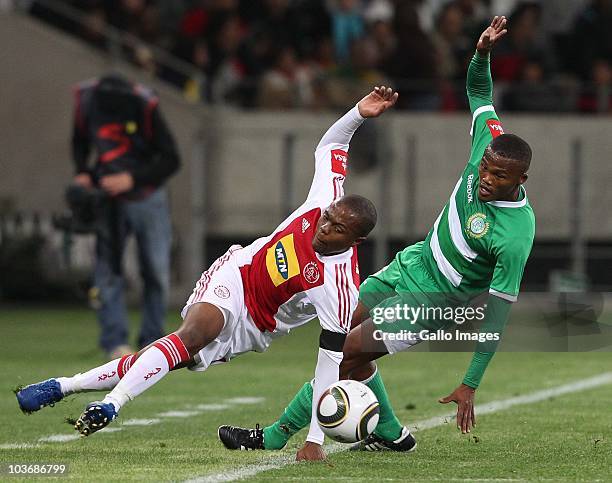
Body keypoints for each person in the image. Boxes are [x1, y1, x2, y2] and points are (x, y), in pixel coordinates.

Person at [219, 16, 535, 461]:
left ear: (521, 178)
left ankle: (278, 434)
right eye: (484, 167)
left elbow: (498, 314)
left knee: (345, 353)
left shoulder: (516, 235)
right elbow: (480, 93)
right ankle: (390, 431)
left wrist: (471, 382)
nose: (485, 178)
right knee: (340, 326)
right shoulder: (491, 141)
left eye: (498, 176)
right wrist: (482, 52)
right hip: (413, 262)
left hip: (434, 299)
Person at [15, 86, 399, 442]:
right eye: (328, 217)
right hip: (238, 274)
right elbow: (333, 143)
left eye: (336, 228)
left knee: (172, 355)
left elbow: (329, 364)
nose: (323, 227)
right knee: (195, 333)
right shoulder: (324, 196)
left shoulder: (339, 287)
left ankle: (64, 386)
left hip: (255, 327)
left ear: (355, 241)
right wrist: (358, 113)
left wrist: (316, 438)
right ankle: (111, 405)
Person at [71, 74, 181, 359]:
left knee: (155, 271)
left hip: (147, 198)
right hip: (107, 198)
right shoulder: (86, 101)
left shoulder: (144, 105)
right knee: (107, 272)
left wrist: (132, 179)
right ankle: (114, 343)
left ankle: (153, 341)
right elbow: (80, 141)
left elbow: (171, 158)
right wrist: (82, 171)